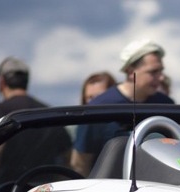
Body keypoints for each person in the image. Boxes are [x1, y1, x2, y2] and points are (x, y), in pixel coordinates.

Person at [70, 38, 174, 176]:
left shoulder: (165, 105)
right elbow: (80, 163)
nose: (160, 78)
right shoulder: (100, 108)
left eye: (160, 71)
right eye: (153, 72)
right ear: (131, 72)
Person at [0, 57, 71, 189]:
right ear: (27, 81)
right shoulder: (48, 111)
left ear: (1, 82)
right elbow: (68, 155)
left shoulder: (1, 110)